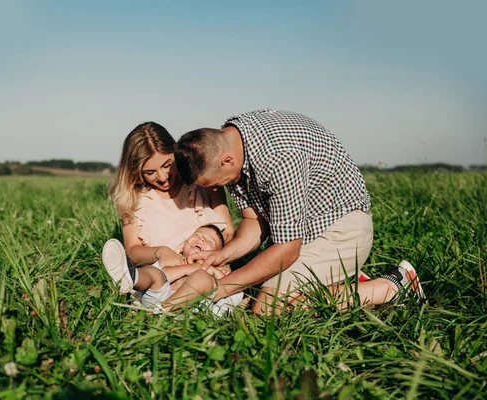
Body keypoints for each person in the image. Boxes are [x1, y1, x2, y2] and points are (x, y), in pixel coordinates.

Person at [174, 109, 426, 315]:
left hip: (340, 229)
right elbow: (253, 221)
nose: (220, 188)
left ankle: (392, 286)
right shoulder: (233, 141)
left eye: (216, 183)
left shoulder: (280, 158)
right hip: (302, 233)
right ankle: (337, 284)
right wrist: (223, 255)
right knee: (255, 287)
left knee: (266, 307)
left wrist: (221, 288)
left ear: (226, 161)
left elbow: (288, 248)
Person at [108, 121, 235, 272]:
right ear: (136, 171)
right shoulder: (135, 198)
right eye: (150, 172)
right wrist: (160, 252)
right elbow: (132, 250)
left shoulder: (200, 182)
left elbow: (228, 232)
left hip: (208, 271)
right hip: (166, 275)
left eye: (167, 165)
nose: (162, 177)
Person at [103, 224, 236, 312]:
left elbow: (228, 286)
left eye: (209, 241)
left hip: (187, 309)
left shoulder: (215, 270)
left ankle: (162, 311)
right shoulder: (175, 259)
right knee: (153, 272)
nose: (201, 240)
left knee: (202, 278)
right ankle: (131, 276)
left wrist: (210, 270)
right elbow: (163, 274)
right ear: (184, 245)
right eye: (197, 235)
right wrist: (189, 268)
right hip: (157, 298)